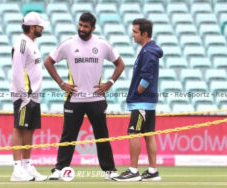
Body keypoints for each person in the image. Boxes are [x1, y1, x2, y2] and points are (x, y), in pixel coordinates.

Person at [44, 12, 125, 180]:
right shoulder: (68, 44)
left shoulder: (102, 44)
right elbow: (48, 61)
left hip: (96, 99)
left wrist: (109, 83)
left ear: (93, 28)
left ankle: (110, 171)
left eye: (85, 26)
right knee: (68, 136)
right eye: (80, 25)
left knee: (102, 135)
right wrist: (61, 84)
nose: (82, 29)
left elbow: (120, 63)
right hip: (75, 99)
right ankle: (59, 169)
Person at [113, 19, 163, 182]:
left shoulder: (148, 52)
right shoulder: (148, 50)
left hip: (141, 101)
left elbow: (146, 77)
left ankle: (133, 171)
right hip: (147, 101)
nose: (132, 34)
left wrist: (137, 92)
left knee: (133, 132)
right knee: (148, 134)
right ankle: (152, 171)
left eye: (135, 31)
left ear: (145, 33)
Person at [9, 11, 49, 182]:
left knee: (29, 129)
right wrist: (23, 94)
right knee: (19, 127)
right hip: (24, 94)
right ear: (32, 27)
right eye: (40, 26)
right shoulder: (22, 44)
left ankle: (27, 165)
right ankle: (17, 169)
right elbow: (17, 71)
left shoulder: (31, 43)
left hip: (34, 95)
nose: (42, 28)